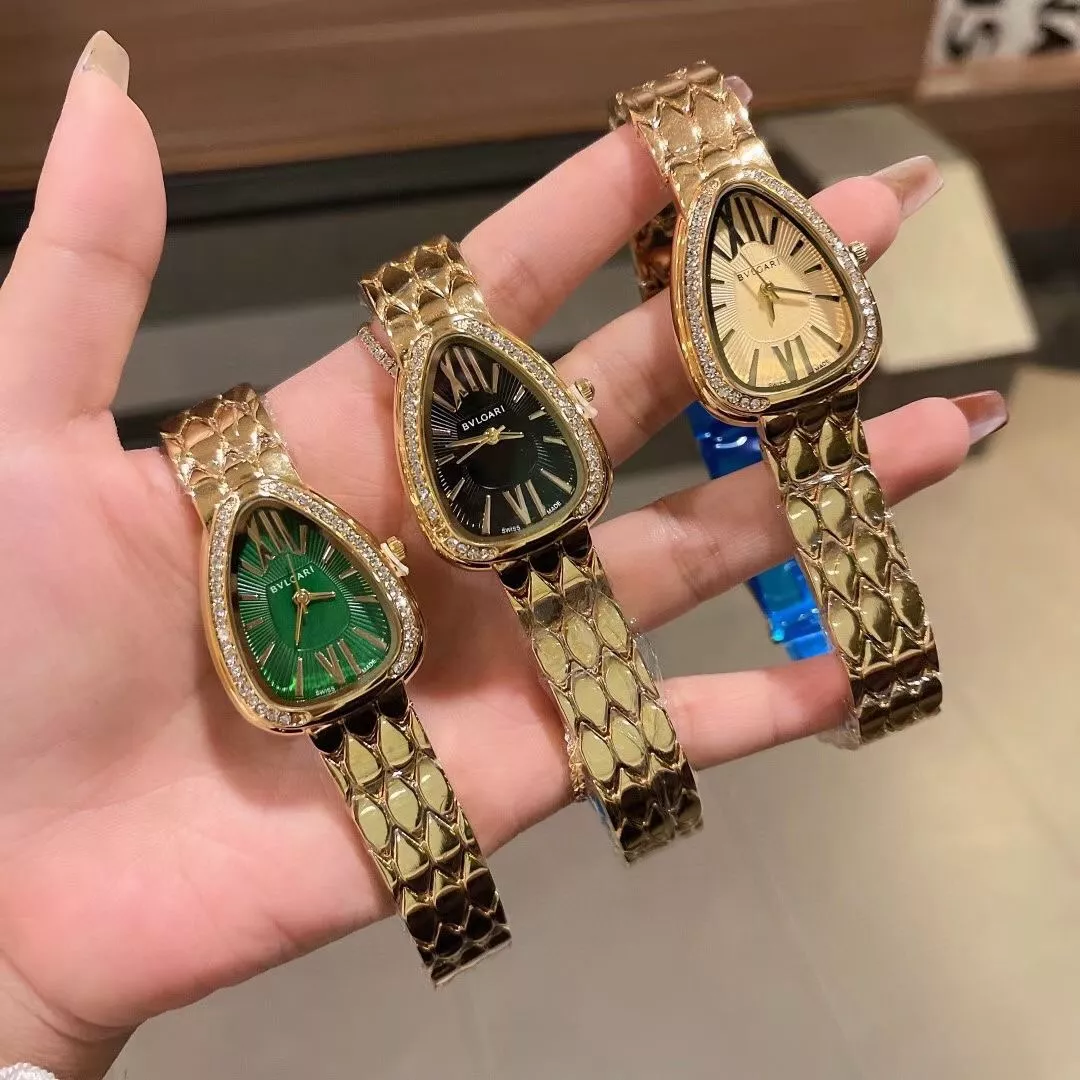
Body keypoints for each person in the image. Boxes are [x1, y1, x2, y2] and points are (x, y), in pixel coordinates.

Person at [0, 31, 1006, 1080]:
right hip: (476, 565)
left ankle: (618, 818)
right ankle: (539, 870)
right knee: (599, 757)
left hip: (574, 487)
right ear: (397, 558)